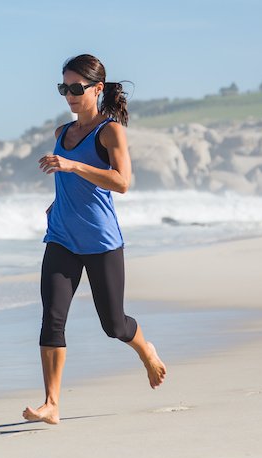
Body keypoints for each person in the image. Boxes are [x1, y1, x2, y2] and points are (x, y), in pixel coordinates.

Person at [22, 54, 167, 425]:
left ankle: (145, 350)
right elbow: (69, 182)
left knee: (114, 325)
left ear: (97, 89)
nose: (69, 95)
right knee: (52, 318)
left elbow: (122, 182)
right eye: (63, 88)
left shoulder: (110, 131)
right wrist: (57, 203)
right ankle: (52, 403)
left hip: (101, 241)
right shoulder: (61, 133)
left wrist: (72, 165)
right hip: (61, 239)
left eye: (76, 88)